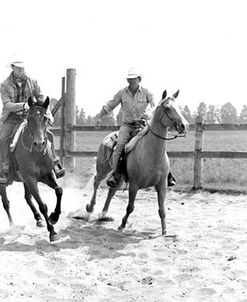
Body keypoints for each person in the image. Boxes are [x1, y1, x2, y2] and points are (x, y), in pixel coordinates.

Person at [98, 67, 176, 187]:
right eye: (129, 79)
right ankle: (116, 174)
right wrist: (100, 114)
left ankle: (167, 174)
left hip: (143, 126)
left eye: (133, 79)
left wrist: (148, 114)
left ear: (139, 79)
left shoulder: (147, 92)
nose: (131, 81)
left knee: (158, 145)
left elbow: (154, 106)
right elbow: (111, 104)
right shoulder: (122, 93)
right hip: (127, 126)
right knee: (119, 147)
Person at [0, 61, 65, 184]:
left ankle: (55, 162)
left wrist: (48, 113)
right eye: (18, 68)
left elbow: (41, 98)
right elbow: (7, 105)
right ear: (12, 67)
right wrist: (23, 105)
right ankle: (5, 167)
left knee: (49, 135)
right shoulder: (4, 85)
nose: (21, 70)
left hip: (30, 116)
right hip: (12, 118)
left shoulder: (32, 81)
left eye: (22, 67)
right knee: (3, 137)